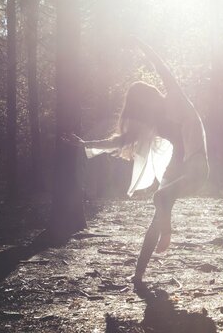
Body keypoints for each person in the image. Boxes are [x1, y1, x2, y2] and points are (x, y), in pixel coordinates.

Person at [63, 38, 209, 285]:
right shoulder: (156, 120)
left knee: (159, 199)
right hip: (175, 169)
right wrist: (86, 145)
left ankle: (168, 233)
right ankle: (138, 275)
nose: (143, 114)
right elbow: (122, 140)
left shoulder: (176, 98)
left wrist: (142, 44)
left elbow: (164, 70)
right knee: (156, 215)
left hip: (196, 166)